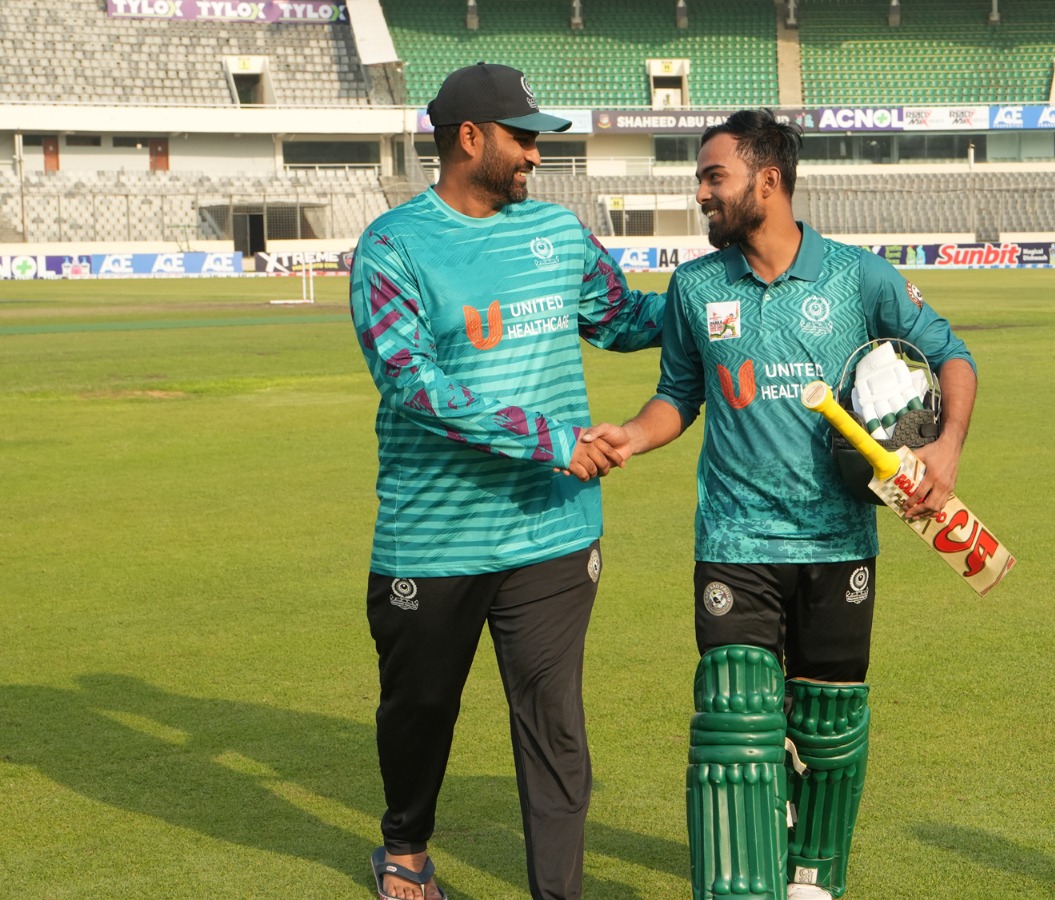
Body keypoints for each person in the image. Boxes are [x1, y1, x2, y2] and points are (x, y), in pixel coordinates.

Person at [584, 109, 977, 900]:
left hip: (839, 542)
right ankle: (740, 885)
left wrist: (947, 446)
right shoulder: (696, 288)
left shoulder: (858, 277)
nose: (701, 192)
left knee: (827, 730)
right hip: (736, 540)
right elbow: (678, 395)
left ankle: (813, 876)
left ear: (768, 180)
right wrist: (629, 433)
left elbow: (951, 356)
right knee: (736, 724)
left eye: (713, 176)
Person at [348, 62, 663, 900]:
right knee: (418, 715)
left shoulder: (559, 235)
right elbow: (412, 384)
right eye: (523, 138)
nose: (534, 154)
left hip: (553, 533)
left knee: (554, 726)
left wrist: (726, 295)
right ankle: (406, 848)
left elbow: (625, 318)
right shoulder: (394, 246)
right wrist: (550, 440)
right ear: (469, 139)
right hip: (435, 534)